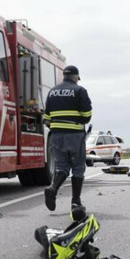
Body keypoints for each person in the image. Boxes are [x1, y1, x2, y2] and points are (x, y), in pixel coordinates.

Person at [43, 65, 92, 214]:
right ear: (76, 77)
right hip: (75, 135)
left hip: (57, 136)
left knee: (62, 167)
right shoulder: (80, 91)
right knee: (78, 168)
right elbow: (87, 116)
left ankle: (53, 189)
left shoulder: (52, 92)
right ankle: (75, 203)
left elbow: (46, 119)